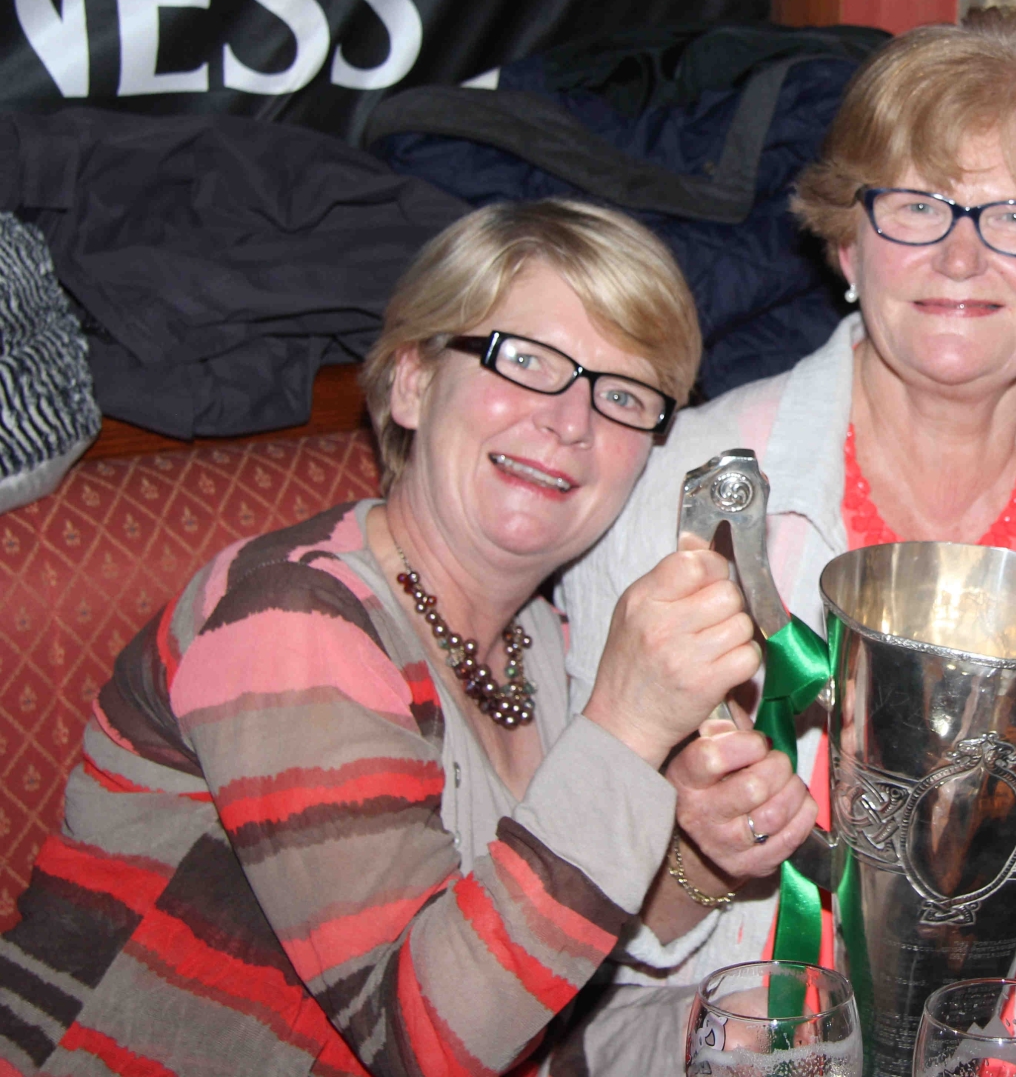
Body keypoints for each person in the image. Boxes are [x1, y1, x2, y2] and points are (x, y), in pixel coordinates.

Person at [557, 12, 1016, 1022]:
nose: (960, 258)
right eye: (917, 207)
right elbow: (570, 916)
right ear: (847, 243)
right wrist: (698, 852)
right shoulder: (680, 488)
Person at [0, 200, 760, 1075]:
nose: (571, 421)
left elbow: (530, 1023)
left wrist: (726, 1015)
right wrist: (624, 728)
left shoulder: (536, 641)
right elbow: (426, 1042)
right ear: (411, 383)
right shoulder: (290, 623)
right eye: (525, 360)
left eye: (622, 395)